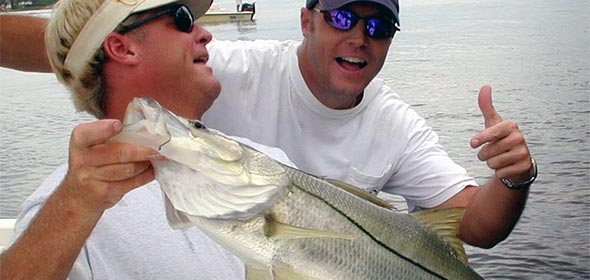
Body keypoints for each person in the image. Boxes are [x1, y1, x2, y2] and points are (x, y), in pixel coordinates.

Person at [1, 0, 536, 262]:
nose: (360, 37)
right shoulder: (228, 69)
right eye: (344, 17)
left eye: (378, 27)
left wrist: (514, 177)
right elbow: (90, 49)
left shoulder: (267, 151)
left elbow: (470, 223)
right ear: (307, 20)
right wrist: (74, 202)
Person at [0, 0, 296, 278]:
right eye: (183, 19)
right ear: (121, 47)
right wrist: (74, 205)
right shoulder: (69, 212)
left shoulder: (269, 161)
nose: (205, 34)